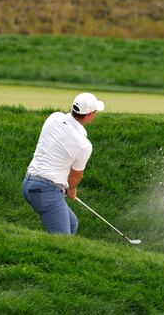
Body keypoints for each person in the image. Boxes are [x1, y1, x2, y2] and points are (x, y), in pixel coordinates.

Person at [22, 92, 104, 235]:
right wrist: (71, 189)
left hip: (29, 182)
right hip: (46, 190)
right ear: (90, 114)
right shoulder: (84, 145)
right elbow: (75, 177)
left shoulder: (54, 117)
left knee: (72, 224)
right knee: (61, 240)